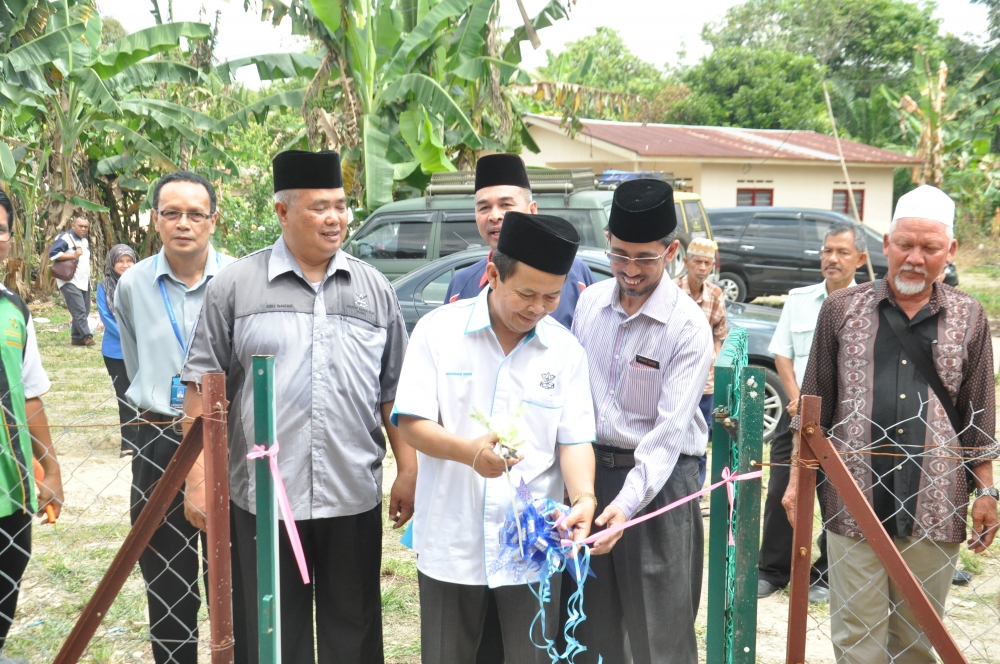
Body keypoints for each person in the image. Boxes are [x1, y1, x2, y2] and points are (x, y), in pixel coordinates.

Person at [181, 149, 416, 664]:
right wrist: (198, 477)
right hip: (261, 499)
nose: (335, 219)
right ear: (282, 212)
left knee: (352, 634)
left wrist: (409, 469)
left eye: (340, 206)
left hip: (351, 494)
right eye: (319, 207)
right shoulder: (236, 287)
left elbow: (393, 391)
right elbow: (202, 387)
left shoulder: (374, 290)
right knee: (268, 634)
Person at [782, 185, 997, 664]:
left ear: (951, 252)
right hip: (849, 500)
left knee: (917, 641)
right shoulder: (841, 310)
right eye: (905, 244)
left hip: (936, 504)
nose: (915, 258)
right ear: (885, 242)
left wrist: (987, 492)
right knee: (857, 637)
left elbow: (979, 415)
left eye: (930, 248)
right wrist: (799, 483)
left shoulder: (970, 317)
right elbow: (814, 408)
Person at [393, 211, 597, 663]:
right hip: (452, 538)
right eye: (526, 293)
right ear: (492, 274)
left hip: (532, 545)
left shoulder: (565, 351)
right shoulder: (438, 332)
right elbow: (411, 423)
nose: (537, 308)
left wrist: (584, 496)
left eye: (551, 296)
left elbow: (575, 440)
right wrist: (468, 453)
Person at [572, 179, 713, 664]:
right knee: (592, 626)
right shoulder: (590, 305)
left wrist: (628, 505)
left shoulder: (687, 327)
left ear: (671, 251)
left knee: (661, 634)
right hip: (591, 480)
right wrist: (582, 491)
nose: (630, 270)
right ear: (608, 241)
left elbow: (668, 434)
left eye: (645, 259)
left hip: (661, 486)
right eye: (619, 254)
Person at [114, 171, 236, 664]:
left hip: (228, 438)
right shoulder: (132, 284)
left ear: (213, 219)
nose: (183, 223)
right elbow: (132, 359)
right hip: (158, 435)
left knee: (232, 570)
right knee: (166, 572)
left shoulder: (238, 279)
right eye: (171, 213)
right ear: (155, 220)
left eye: (194, 213)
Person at [757, 221, 867, 604]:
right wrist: (800, 401)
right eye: (827, 251)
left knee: (836, 496)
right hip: (798, 415)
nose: (832, 259)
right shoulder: (799, 298)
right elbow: (782, 353)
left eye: (842, 252)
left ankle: (824, 574)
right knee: (781, 493)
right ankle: (772, 571)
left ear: (861, 259)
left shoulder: (870, 304)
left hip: (845, 423)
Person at [0, 191, 63, 664]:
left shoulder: (15, 311)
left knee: (5, 594)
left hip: (11, 490)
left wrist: (51, 468)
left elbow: (30, 392)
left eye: (0, 229)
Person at [444, 153, 595, 328]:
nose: (494, 216)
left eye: (506, 205)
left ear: (532, 210)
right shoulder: (461, 284)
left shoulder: (576, 275)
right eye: (484, 208)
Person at [673, 237, 726, 490]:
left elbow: (720, 333)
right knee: (672, 435)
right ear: (686, 262)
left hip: (705, 383)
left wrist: (712, 358)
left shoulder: (715, 295)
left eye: (708, 263)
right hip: (676, 380)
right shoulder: (671, 291)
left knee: (700, 438)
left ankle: (695, 490)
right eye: (698, 262)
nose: (703, 268)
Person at [96, 245, 139, 457]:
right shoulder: (103, 286)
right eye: (120, 261)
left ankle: (148, 438)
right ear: (112, 263)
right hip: (116, 351)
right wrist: (131, 337)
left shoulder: (142, 283)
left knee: (145, 393)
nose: (125, 265)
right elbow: (106, 318)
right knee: (125, 395)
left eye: (129, 260)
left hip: (142, 350)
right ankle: (129, 443)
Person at [49, 214, 92, 347]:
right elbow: (53, 254)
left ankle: (76, 338)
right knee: (79, 310)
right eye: (80, 226)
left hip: (84, 281)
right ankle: (87, 336)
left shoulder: (84, 241)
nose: (83, 229)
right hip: (69, 280)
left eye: (86, 227)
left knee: (85, 309)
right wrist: (73, 255)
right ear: (73, 225)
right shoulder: (65, 238)